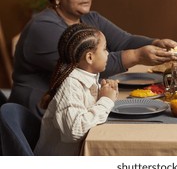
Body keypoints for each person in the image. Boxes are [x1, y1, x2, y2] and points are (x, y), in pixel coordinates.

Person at [10, 0, 177, 117]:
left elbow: (124, 41)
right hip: (39, 116)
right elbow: (84, 64)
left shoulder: (90, 18)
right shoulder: (43, 27)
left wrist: (156, 43)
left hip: (77, 107)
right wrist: (137, 55)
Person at [34, 23, 118, 155]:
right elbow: (75, 130)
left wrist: (105, 93)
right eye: (104, 49)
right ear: (90, 57)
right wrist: (106, 100)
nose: (108, 53)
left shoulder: (86, 77)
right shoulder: (70, 85)